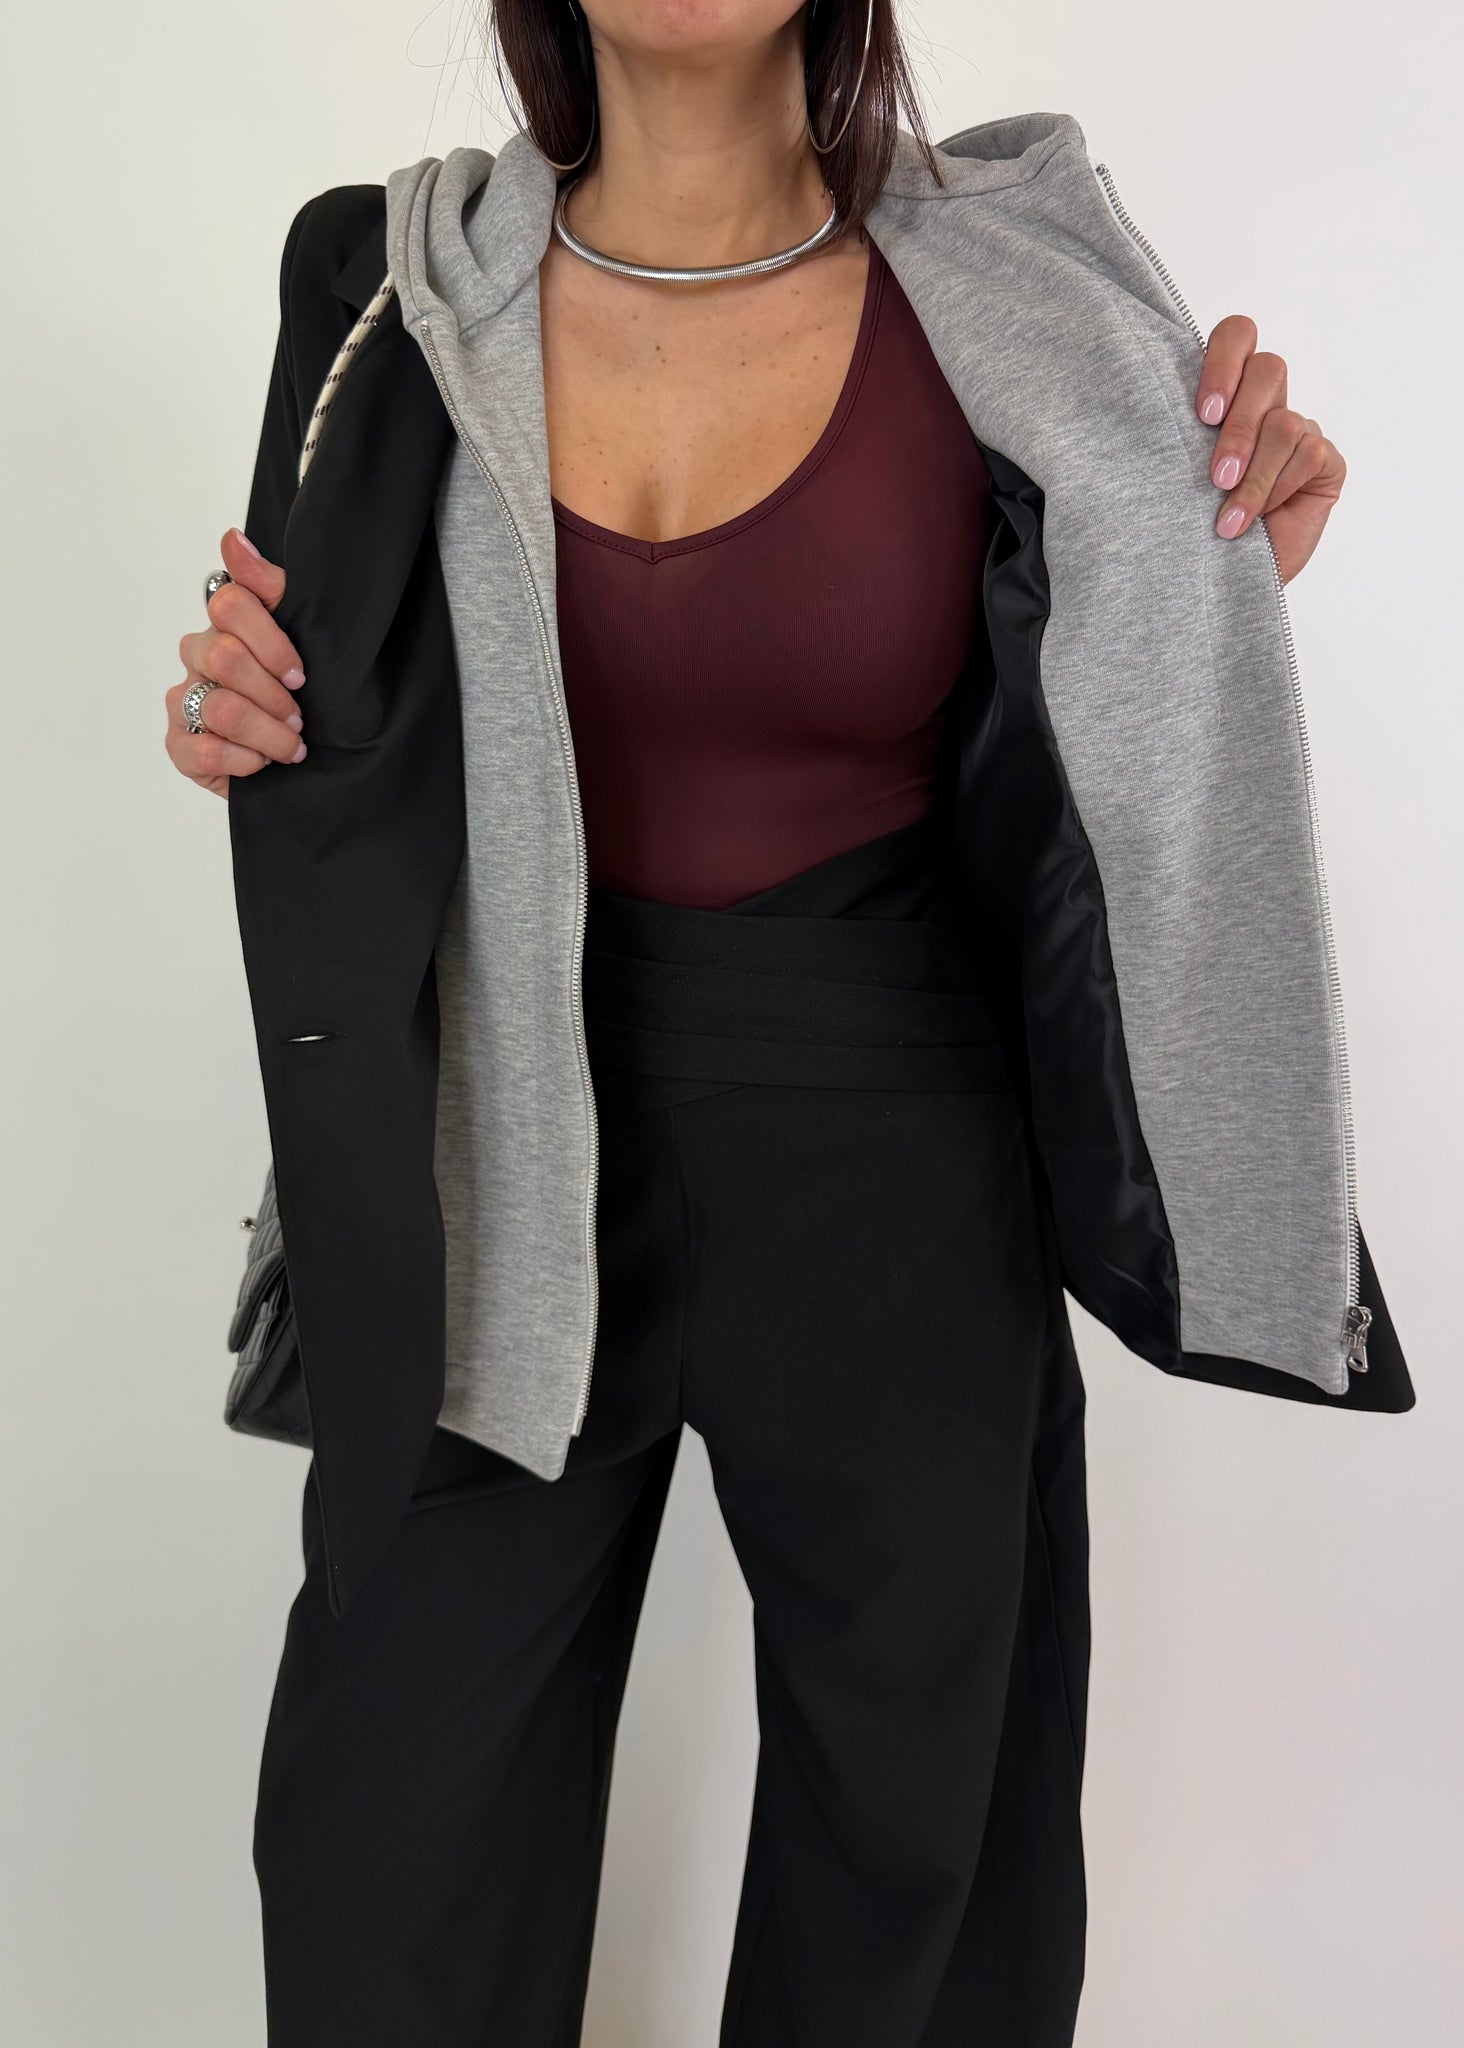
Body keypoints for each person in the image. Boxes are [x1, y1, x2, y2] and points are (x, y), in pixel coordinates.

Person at [165, 3, 1414, 2043]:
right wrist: (251, 714)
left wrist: (1214, 543)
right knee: (382, 1869)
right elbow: (326, 692)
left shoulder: (1021, 290)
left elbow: (1123, 635)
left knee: (918, 1895)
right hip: (503, 1135)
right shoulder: (384, 290)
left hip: (898, 1143)